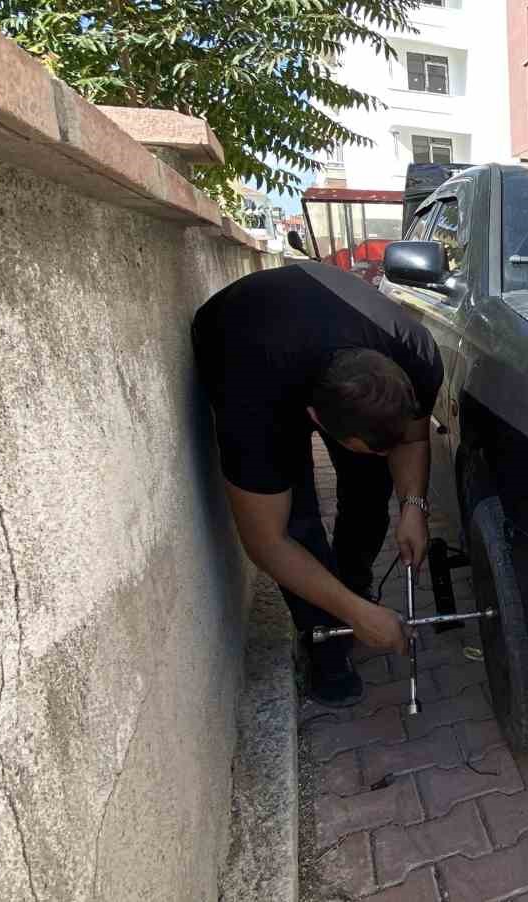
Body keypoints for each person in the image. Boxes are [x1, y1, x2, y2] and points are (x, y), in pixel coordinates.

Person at [191, 261, 442, 706]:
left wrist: (414, 508)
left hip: (319, 333)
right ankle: (324, 638)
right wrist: (351, 615)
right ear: (316, 420)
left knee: (368, 494)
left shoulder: (415, 353)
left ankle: (353, 582)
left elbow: (414, 439)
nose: (387, 454)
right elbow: (268, 541)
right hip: (240, 335)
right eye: (370, 447)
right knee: (299, 522)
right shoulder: (251, 399)